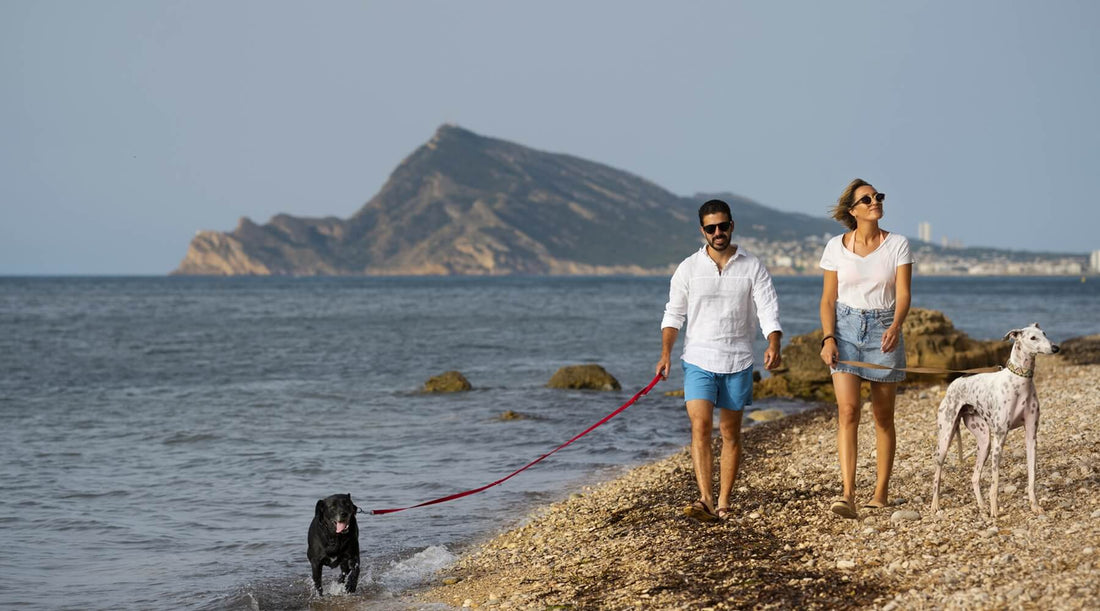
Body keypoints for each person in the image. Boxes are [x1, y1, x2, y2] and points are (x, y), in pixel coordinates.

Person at [656, 199, 783, 523]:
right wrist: (666, 354)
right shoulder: (688, 268)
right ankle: (706, 499)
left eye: (722, 226)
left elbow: (768, 308)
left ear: (731, 226)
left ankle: (724, 501)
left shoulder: (752, 266)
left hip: (738, 360)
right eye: (711, 228)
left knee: (730, 433)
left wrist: (773, 342)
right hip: (698, 357)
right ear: (703, 231)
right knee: (700, 425)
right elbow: (674, 314)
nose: (717, 232)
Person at [818, 178, 913, 519]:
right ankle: (847, 493)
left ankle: (881, 493)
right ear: (852, 210)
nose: (875, 202)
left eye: (878, 197)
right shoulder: (835, 247)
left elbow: (903, 294)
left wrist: (896, 325)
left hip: (883, 328)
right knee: (848, 412)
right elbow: (828, 299)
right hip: (844, 329)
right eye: (867, 199)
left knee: (883, 416)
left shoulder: (898, 244)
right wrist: (828, 337)